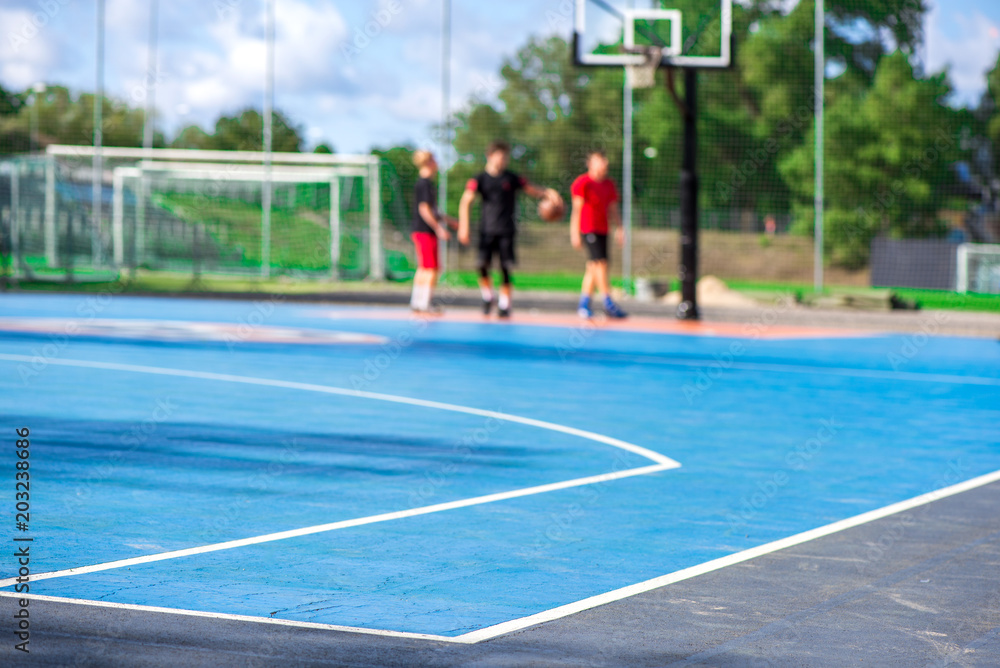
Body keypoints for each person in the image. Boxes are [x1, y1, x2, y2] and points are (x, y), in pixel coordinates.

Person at [459, 140, 562, 318]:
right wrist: (464, 226)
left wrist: (548, 192)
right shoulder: (479, 179)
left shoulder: (512, 178)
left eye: (506, 157)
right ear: (490, 156)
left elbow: (531, 189)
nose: (504, 160)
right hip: (486, 229)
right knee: (482, 264)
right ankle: (488, 296)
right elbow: (465, 201)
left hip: (507, 230)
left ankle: (505, 304)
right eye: (501, 156)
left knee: (506, 267)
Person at [570, 150, 628, 319]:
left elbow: (613, 208)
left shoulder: (609, 184)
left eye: (604, 161)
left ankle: (584, 304)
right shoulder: (582, 183)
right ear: (590, 164)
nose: (603, 164)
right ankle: (608, 302)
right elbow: (576, 210)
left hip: (603, 229)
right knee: (600, 264)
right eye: (599, 161)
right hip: (588, 229)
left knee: (593, 267)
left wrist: (620, 228)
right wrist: (574, 233)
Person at [410, 150, 457, 313]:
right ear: (429, 162)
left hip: (421, 230)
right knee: (431, 268)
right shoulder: (424, 184)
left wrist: (449, 221)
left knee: (424, 267)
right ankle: (423, 303)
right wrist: (438, 228)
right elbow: (424, 209)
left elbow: (433, 210)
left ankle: (417, 302)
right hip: (425, 231)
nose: (437, 163)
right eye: (434, 160)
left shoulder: (426, 183)